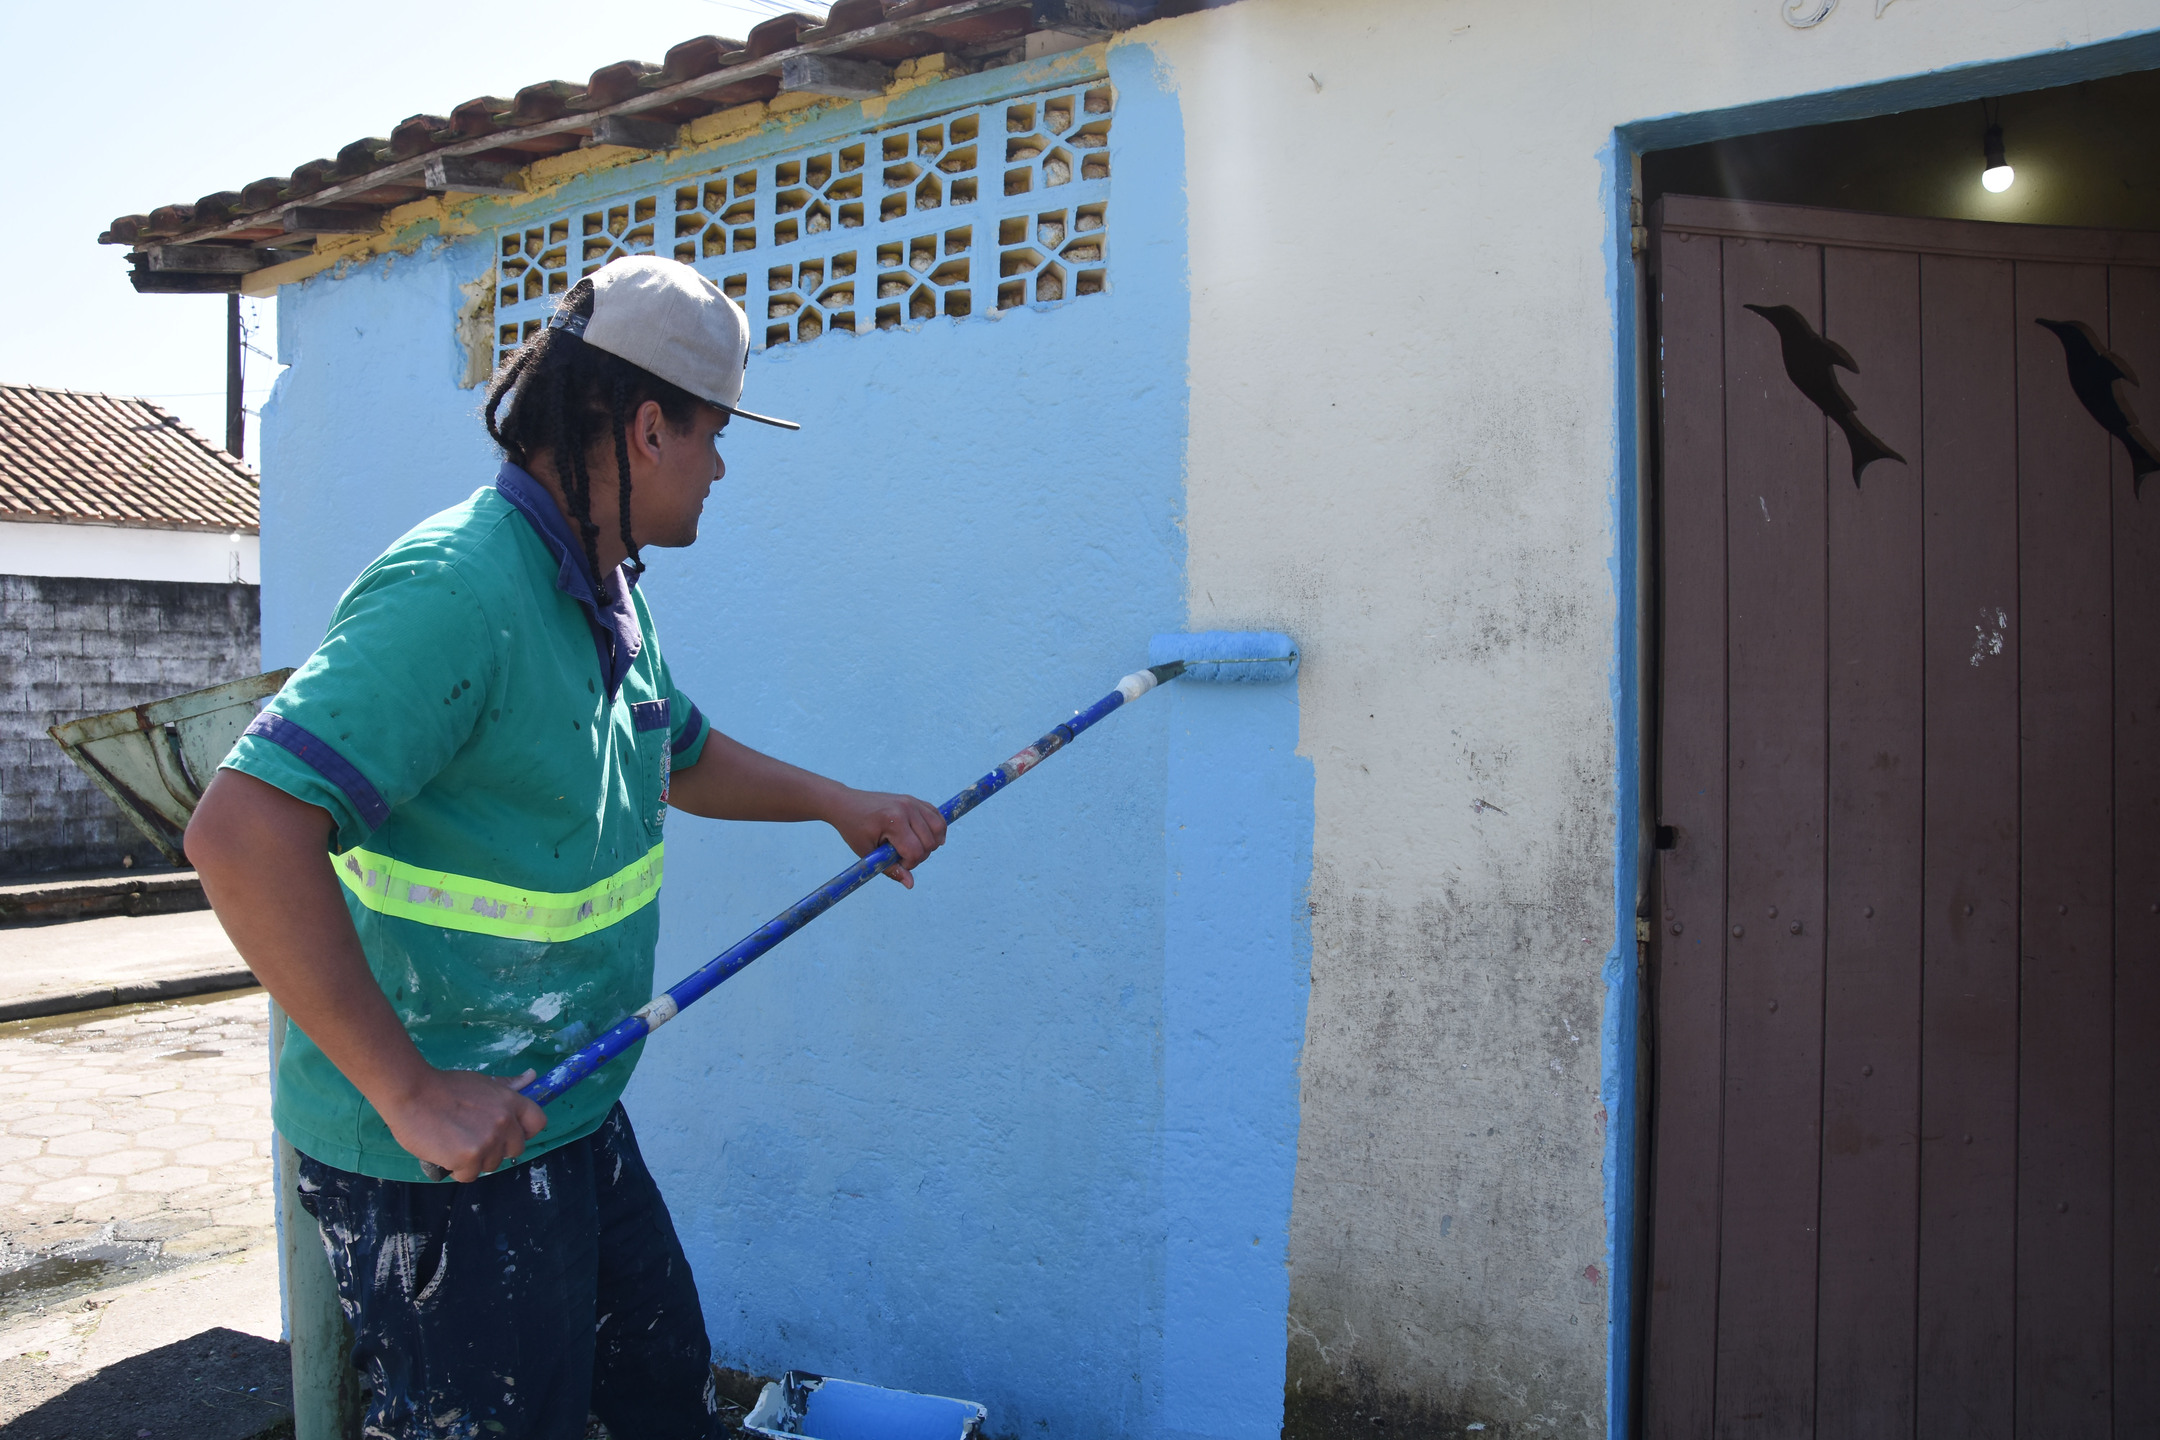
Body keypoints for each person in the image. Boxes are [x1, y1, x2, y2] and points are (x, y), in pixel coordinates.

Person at [185, 255, 947, 1438]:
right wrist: (410, 1090)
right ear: (649, 428)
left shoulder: (604, 588)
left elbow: (676, 752)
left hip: (564, 1111)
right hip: (436, 1164)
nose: (721, 466)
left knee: (656, 1392)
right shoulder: (456, 587)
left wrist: (839, 803)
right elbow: (241, 832)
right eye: (712, 435)